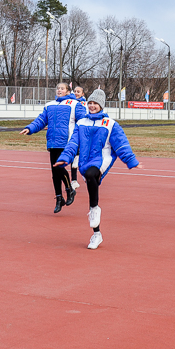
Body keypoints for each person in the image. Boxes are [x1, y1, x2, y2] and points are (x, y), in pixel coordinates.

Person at [55, 89, 140, 250]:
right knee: (89, 179)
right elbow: (73, 144)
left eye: (95, 103)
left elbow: (121, 144)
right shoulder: (81, 123)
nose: (92, 106)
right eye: (90, 103)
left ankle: (94, 210)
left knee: (91, 174)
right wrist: (64, 158)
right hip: (86, 160)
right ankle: (97, 233)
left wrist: (131, 161)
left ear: (101, 105)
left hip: (103, 158)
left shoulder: (110, 124)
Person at [21, 82, 87, 213]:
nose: (59, 90)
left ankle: (69, 190)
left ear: (68, 92)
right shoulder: (49, 105)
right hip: (52, 142)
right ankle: (59, 198)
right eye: (58, 88)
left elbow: (83, 121)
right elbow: (41, 120)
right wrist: (29, 128)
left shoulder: (75, 104)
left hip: (67, 142)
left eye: (62, 88)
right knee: (54, 172)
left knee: (59, 167)